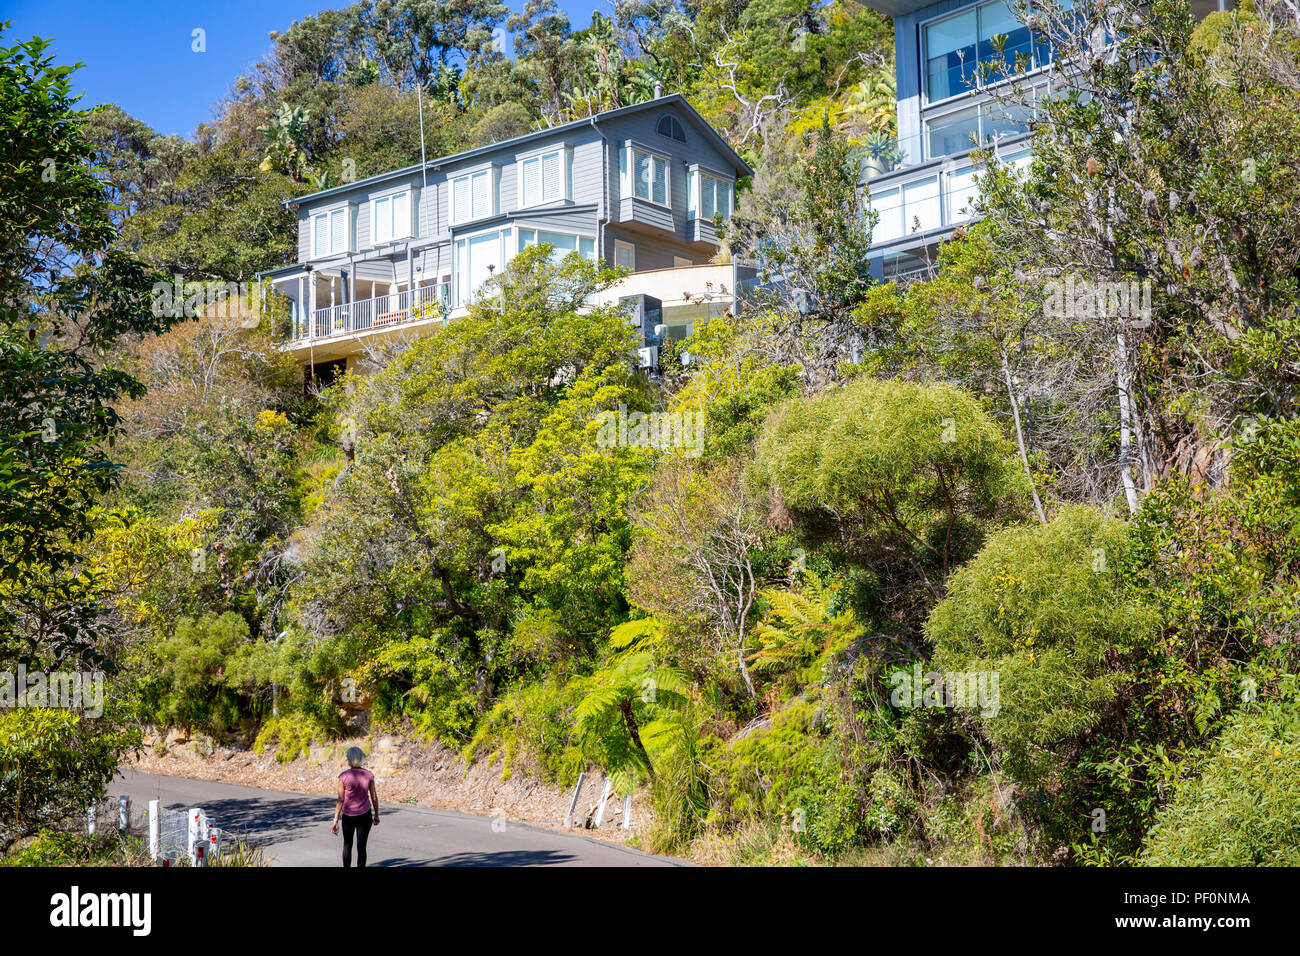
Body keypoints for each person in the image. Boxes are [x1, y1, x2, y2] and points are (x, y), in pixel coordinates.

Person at [332, 746, 379, 867]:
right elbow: (374, 797)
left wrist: (335, 819)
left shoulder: (344, 776)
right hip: (365, 815)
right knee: (361, 847)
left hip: (348, 816)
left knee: (347, 845)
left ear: (349, 759)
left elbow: (341, 799)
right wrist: (376, 815)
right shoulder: (368, 775)